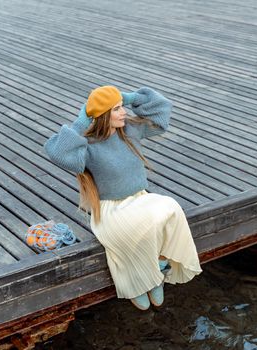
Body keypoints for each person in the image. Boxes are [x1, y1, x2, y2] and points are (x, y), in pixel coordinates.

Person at [44, 85, 202, 310]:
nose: (124, 112)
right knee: (148, 222)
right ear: (103, 115)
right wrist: (82, 120)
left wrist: (129, 97)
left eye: (122, 107)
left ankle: (158, 268)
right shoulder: (87, 146)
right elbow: (57, 153)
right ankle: (142, 280)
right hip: (112, 211)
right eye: (116, 109)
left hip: (141, 199)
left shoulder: (129, 130)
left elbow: (162, 109)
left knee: (170, 207)